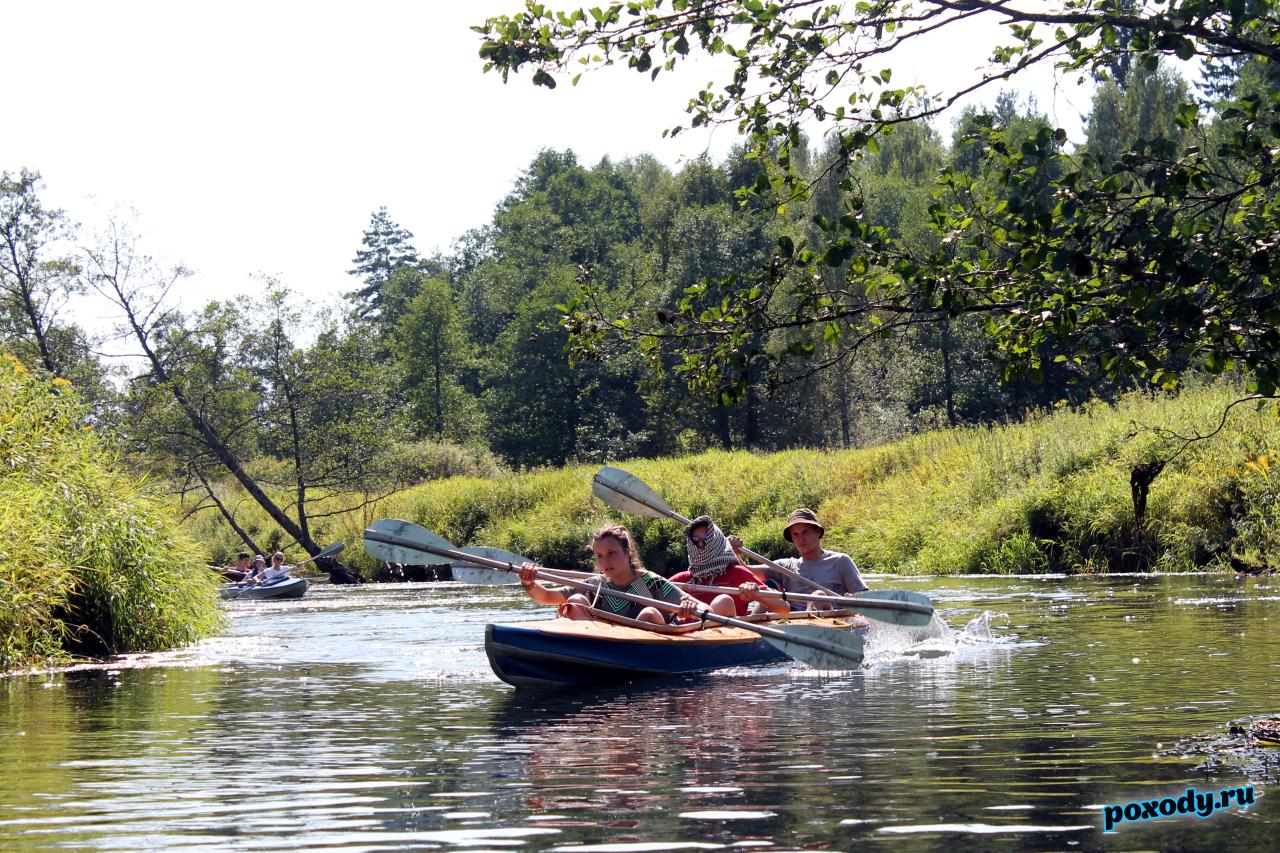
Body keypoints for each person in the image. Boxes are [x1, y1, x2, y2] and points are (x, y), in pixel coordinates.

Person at [518, 523, 701, 625]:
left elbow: (705, 609)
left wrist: (689, 606)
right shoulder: (594, 585)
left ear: (627, 552)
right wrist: (529, 582)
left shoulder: (651, 583)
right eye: (600, 556)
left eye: (612, 553)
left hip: (645, 651)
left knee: (649, 613)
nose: (605, 562)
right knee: (575, 603)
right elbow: (547, 596)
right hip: (602, 650)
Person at [732, 508, 868, 608]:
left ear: (818, 532)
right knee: (768, 595)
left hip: (831, 622)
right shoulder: (785, 566)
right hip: (793, 623)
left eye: (805, 532)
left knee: (818, 596)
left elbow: (866, 599)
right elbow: (747, 572)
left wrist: (854, 601)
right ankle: (752, 635)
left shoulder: (840, 561)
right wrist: (734, 552)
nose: (800, 539)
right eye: (795, 535)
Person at [669, 516, 789, 617]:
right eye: (695, 539)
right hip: (688, 638)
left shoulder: (737, 573)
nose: (700, 544)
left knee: (723, 601)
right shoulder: (684, 579)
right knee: (650, 612)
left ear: (715, 540)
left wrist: (755, 592)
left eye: (705, 538)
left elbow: (784, 609)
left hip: (724, 638)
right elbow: (653, 589)